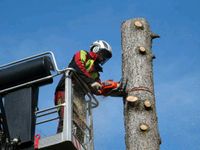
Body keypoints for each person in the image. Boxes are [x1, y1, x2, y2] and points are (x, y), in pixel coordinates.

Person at [54, 40, 112, 132]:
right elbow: (77, 67)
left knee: (81, 124)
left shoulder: (96, 73)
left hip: (80, 97)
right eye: (103, 54)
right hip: (65, 89)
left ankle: (78, 143)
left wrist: (109, 88)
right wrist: (91, 82)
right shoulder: (83, 54)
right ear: (96, 49)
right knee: (65, 118)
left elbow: (98, 89)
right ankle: (62, 142)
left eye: (105, 57)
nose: (103, 58)